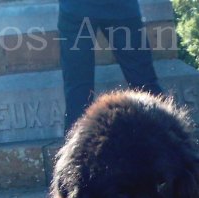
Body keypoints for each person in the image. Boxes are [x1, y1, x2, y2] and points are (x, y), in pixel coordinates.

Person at [58, 0, 163, 133]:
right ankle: (170, 143)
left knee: (77, 88)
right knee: (144, 80)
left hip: (76, 8)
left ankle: (78, 150)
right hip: (121, 8)